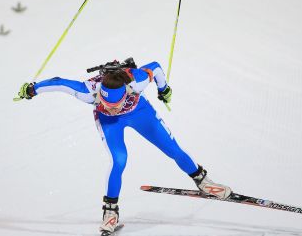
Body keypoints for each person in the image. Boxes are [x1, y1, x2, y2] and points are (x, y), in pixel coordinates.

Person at [17, 59, 232, 235]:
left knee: (173, 149)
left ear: (125, 94)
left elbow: (155, 67)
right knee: (119, 161)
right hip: (112, 124)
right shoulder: (89, 91)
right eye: (105, 103)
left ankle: (203, 181)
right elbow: (60, 83)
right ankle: (110, 212)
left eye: (114, 105)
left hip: (139, 112)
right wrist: (32, 89)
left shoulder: (135, 82)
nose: (109, 108)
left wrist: (163, 88)